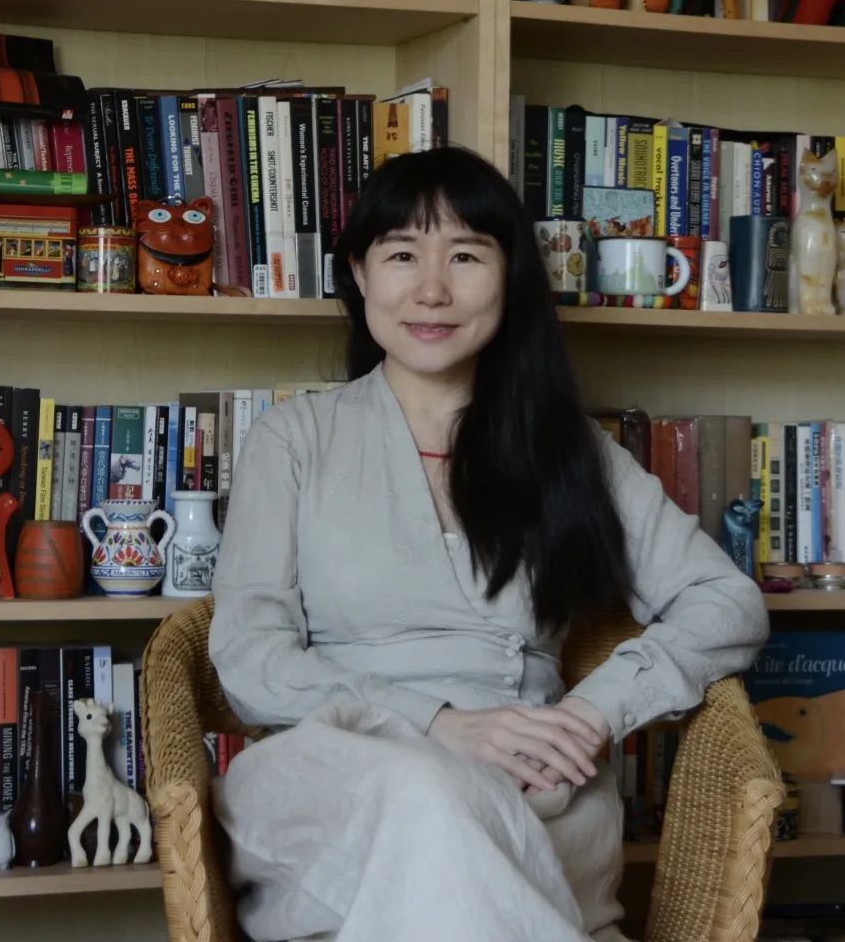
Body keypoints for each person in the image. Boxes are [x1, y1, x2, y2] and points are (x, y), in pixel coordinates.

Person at [209, 146, 769, 942]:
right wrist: (434, 723)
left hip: (532, 785)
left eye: (466, 256)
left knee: (451, 828)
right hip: (335, 780)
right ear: (360, 274)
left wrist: (592, 713)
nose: (432, 289)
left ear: (509, 278)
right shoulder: (293, 441)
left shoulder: (569, 451)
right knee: (423, 790)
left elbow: (727, 603)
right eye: (402, 255)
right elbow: (249, 659)